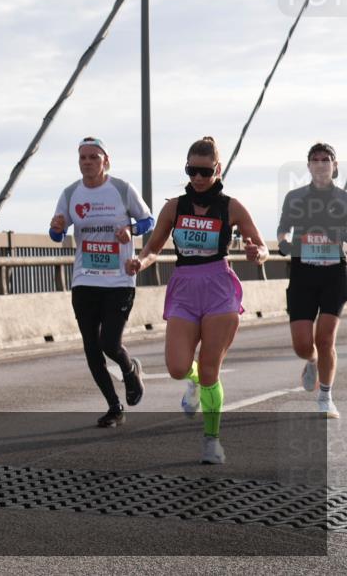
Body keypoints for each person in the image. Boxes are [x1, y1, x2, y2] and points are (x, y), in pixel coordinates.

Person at [126, 137, 268, 464]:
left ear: (217, 170)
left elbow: (260, 247)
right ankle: (192, 384)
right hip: (185, 287)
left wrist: (256, 253)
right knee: (178, 367)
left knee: (210, 370)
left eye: (205, 171)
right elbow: (152, 249)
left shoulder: (231, 206)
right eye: (192, 171)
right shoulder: (174, 207)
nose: (199, 178)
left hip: (218, 286)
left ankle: (211, 440)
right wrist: (139, 262)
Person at [50, 137, 154, 428]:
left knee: (109, 342)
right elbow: (57, 233)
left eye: (93, 157)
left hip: (119, 280)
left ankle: (130, 368)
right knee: (91, 348)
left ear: (106, 161)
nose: (87, 162)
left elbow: (149, 221)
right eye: (82, 157)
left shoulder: (122, 189)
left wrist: (130, 229)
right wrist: (56, 229)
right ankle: (114, 407)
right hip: (85, 279)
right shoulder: (71, 193)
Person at [277, 142, 346, 419]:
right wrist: (284, 245)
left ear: (335, 165)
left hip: (334, 275)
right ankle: (312, 361)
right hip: (303, 275)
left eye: (325, 159)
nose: (320, 163)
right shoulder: (295, 198)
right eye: (315, 159)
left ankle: (326, 397)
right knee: (303, 345)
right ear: (308, 166)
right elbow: (283, 232)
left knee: (326, 337)